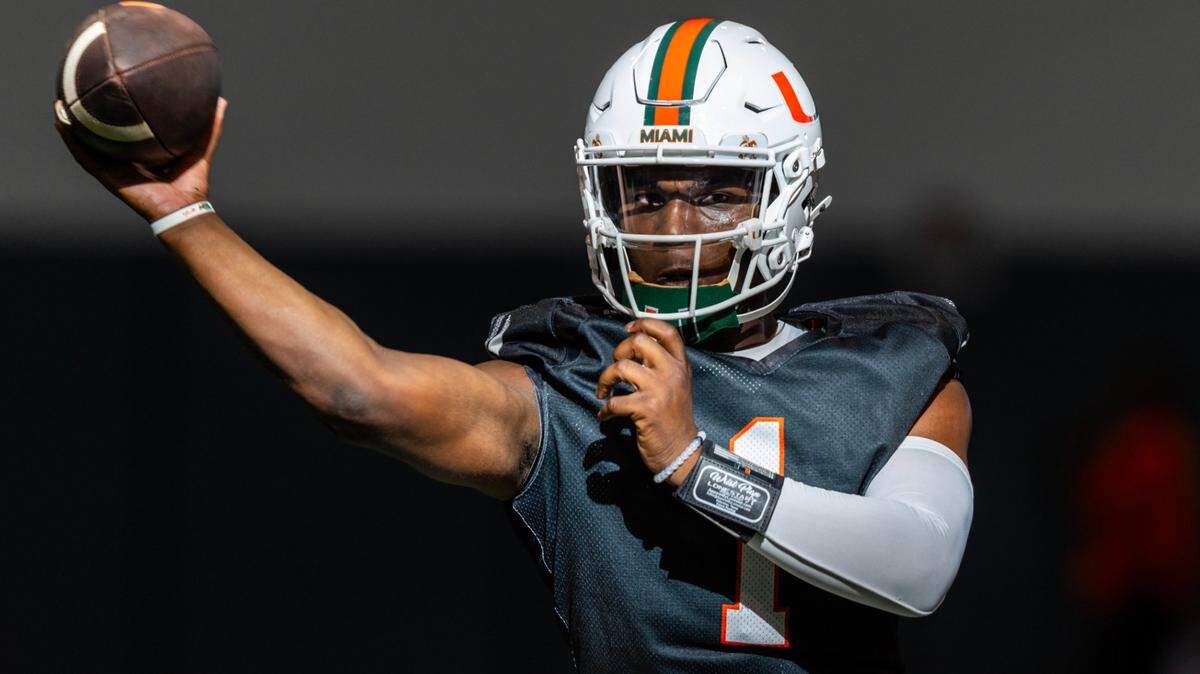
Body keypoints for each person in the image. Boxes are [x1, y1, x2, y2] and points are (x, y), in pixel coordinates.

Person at [57, 18, 974, 673]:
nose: (675, 226)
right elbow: (359, 392)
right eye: (643, 193)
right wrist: (186, 214)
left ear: (787, 194)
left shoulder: (893, 371)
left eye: (717, 191)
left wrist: (696, 465)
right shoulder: (575, 381)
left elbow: (914, 566)